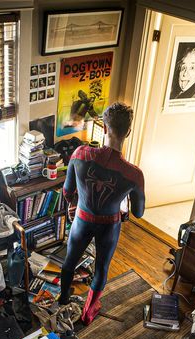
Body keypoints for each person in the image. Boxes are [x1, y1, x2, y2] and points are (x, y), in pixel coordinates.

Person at [59, 102, 145, 325]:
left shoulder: (80, 154)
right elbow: (138, 212)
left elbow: (67, 191)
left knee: (69, 261)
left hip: (83, 218)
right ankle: (88, 312)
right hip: (109, 225)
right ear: (128, 132)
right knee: (101, 267)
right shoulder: (134, 174)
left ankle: (63, 300)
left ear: (104, 128)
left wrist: (73, 203)